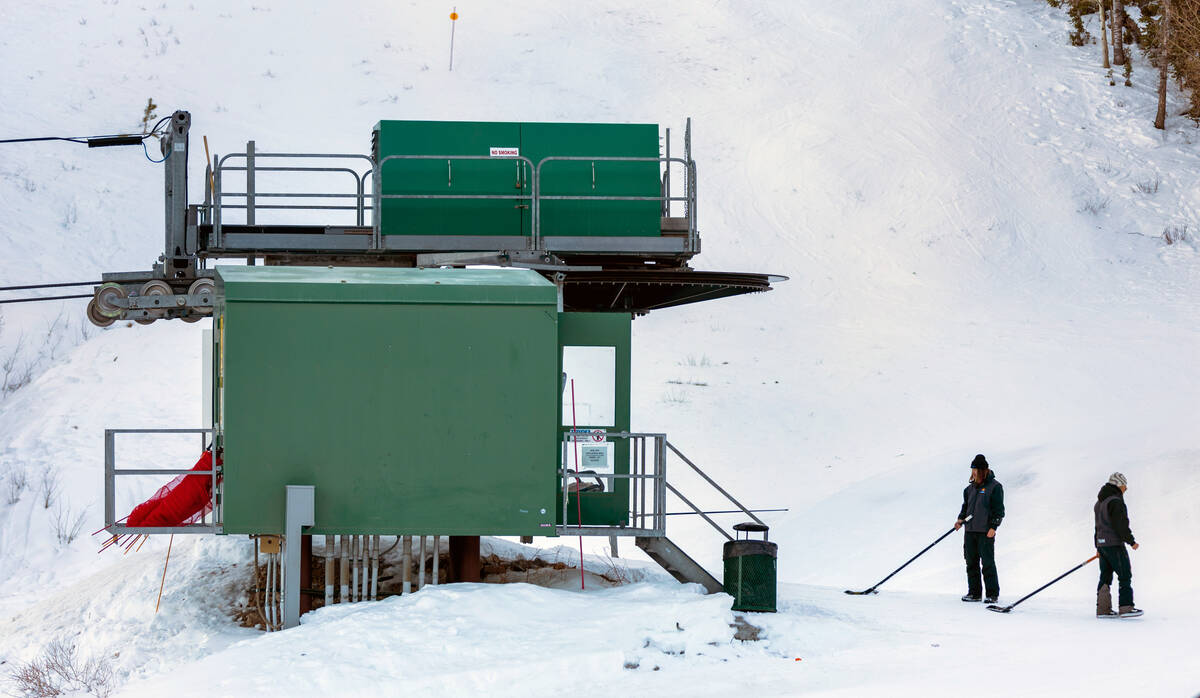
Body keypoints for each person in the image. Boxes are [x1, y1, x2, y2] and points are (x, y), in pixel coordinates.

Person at [954, 454, 1004, 603]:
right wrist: (960, 520)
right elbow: (965, 508)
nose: (974, 472)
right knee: (971, 562)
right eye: (972, 469)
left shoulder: (995, 487)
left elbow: (999, 510)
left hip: (985, 532)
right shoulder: (969, 489)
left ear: (984, 470)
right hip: (969, 531)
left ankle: (992, 594)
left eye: (976, 469)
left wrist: (993, 527)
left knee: (987, 563)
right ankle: (974, 593)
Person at [1095, 472, 1142, 618]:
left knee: (1105, 576)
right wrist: (1131, 541)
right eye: (1124, 485)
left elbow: (1097, 527)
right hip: (1114, 544)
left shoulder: (1100, 502)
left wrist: (1097, 546)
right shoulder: (1115, 501)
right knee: (1125, 574)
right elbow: (1120, 525)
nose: (1126, 488)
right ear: (1118, 484)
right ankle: (1126, 607)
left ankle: (1103, 610)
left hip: (1102, 544)